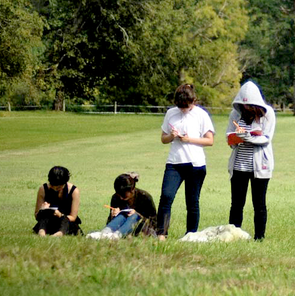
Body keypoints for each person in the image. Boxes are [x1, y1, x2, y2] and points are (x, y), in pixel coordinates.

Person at [157, 83, 215, 240]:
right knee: (166, 197)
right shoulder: (171, 113)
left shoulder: (201, 115)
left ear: (193, 101)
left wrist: (188, 139)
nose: (183, 109)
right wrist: (172, 136)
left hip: (195, 164)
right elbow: (163, 138)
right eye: (180, 106)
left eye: (186, 106)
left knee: (192, 201)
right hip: (174, 163)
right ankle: (162, 233)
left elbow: (209, 141)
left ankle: (191, 234)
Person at [226, 80, 275, 241]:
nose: (246, 108)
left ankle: (259, 237)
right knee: (237, 204)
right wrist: (236, 138)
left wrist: (249, 137)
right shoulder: (235, 114)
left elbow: (266, 138)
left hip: (260, 166)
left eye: (250, 105)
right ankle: (234, 234)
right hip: (239, 164)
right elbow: (229, 136)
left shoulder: (268, 115)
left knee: (259, 204)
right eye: (243, 105)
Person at [88, 172, 157, 239]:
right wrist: (113, 215)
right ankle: (104, 233)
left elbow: (154, 221)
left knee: (134, 216)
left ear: (132, 190)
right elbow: (109, 221)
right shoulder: (115, 198)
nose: (121, 198)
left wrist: (138, 215)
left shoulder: (144, 197)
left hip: (142, 228)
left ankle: (117, 235)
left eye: (124, 195)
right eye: (119, 194)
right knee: (122, 215)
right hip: (120, 226)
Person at [32, 165, 81, 236]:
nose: (55, 189)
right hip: (49, 221)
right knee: (44, 218)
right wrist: (42, 210)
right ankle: (42, 232)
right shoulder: (43, 189)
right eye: (52, 186)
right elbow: (37, 216)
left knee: (65, 220)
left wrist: (60, 215)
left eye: (59, 187)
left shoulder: (74, 191)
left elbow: (73, 217)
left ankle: (59, 233)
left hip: (66, 221)